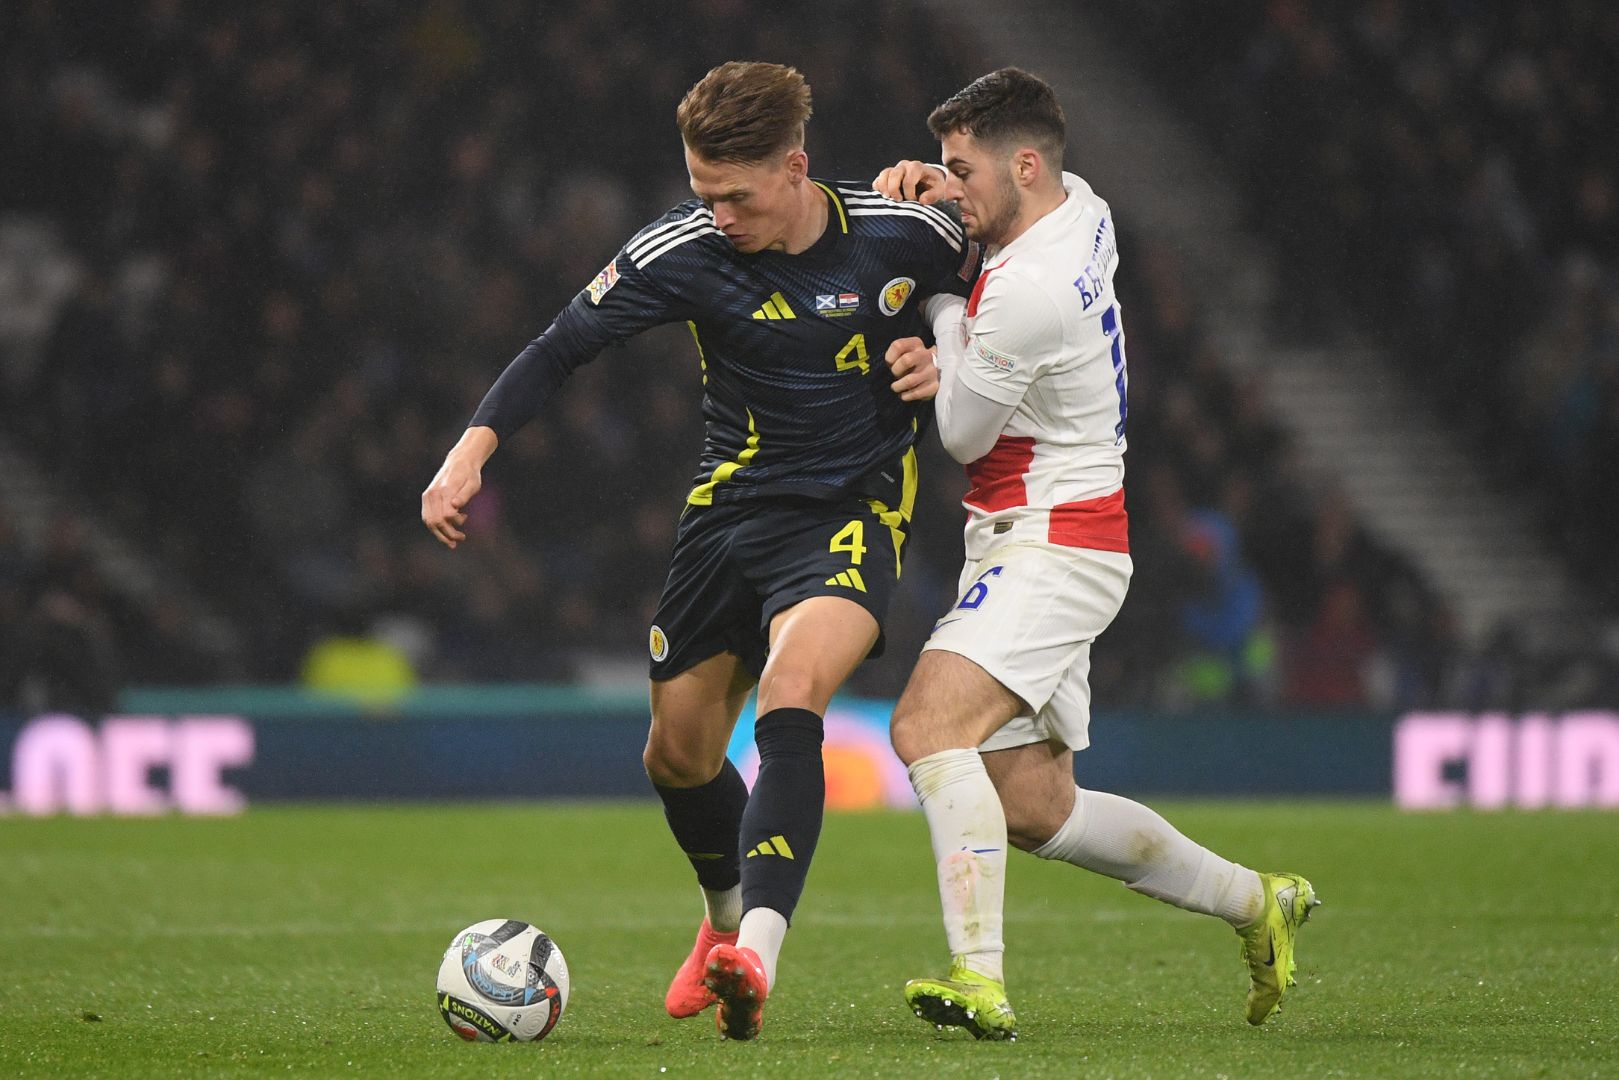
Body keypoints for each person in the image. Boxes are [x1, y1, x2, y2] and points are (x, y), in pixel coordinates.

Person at [421, 61, 980, 1041]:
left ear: (795, 167)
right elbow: (559, 346)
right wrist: (466, 457)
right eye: (700, 191)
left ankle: (753, 957)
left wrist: (952, 353)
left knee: (792, 690)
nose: (717, 213)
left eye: (736, 193)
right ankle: (720, 918)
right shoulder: (683, 250)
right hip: (728, 516)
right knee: (676, 755)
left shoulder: (903, 230)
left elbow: (1004, 280)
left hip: (851, 510)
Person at [872, 68, 1318, 1041]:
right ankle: (1256, 902)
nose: (954, 186)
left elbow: (955, 429)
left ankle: (977, 978)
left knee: (923, 725)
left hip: (1048, 543)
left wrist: (938, 311)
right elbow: (989, 227)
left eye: (962, 169)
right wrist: (944, 201)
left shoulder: (1023, 292)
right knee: (1033, 806)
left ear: (1021, 165)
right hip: (1056, 528)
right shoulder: (1082, 207)